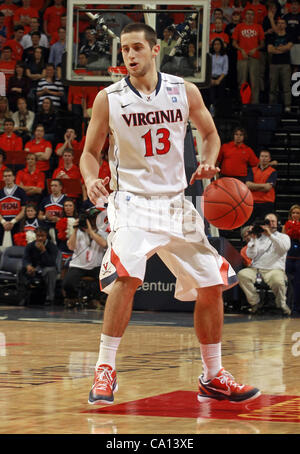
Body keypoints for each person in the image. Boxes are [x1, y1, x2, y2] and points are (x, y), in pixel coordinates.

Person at [79, 22, 260, 406]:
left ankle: (213, 376)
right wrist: (92, 178)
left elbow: (210, 135)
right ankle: (104, 368)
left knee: (212, 284)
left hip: (176, 203)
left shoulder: (183, 90)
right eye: (124, 49)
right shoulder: (108, 99)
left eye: (136, 48)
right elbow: (89, 152)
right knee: (127, 277)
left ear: (155, 49)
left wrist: (210, 162)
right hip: (131, 202)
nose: (129, 56)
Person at [238, 212, 291, 315]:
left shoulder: (283, 237)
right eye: (267, 221)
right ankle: (255, 302)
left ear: (277, 223)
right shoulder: (259, 238)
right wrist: (253, 239)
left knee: (278, 282)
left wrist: (270, 235)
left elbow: (283, 248)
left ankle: (281, 304)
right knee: (242, 275)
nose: (270, 224)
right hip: (257, 270)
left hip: (274, 270)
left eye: (273, 221)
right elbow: (251, 255)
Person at [62, 207, 108, 309]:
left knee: (106, 279)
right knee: (68, 283)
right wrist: (74, 230)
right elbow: (71, 246)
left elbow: (104, 244)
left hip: (95, 266)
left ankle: (95, 300)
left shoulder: (102, 232)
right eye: (94, 218)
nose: (97, 220)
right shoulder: (78, 232)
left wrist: (91, 232)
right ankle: (73, 299)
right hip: (78, 266)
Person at [19, 226, 59, 306]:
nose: (40, 238)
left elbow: (51, 262)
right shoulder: (30, 246)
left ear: (46, 236)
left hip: (46, 268)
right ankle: (23, 296)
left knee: (50, 271)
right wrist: (28, 266)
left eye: (42, 236)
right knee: (20, 270)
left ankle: (49, 298)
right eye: (38, 236)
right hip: (34, 268)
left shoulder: (52, 246)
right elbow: (25, 258)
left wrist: (43, 251)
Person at [232, 8, 265, 104]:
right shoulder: (239, 26)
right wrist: (241, 50)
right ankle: (243, 103)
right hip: (242, 57)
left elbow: (263, 43)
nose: (249, 16)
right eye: (248, 14)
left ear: (254, 16)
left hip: (254, 57)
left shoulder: (258, 27)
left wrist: (256, 48)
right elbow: (234, 43)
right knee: (242, 82)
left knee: (255, 82)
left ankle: (255, 103)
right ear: (244, 16)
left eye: (251, 14)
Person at [267, 17, 293, 112]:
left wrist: (276, 49)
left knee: (286, 87)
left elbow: (289, 47)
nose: (280, 25)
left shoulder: (289, 36)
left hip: (285, 64)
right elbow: (269, 49)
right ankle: (271, 105)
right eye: (279, 23)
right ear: (276, 25)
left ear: (285, 25)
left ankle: (287, 106)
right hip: (274, 64)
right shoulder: (272, 36)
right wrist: (282, 49)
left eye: (282, 23)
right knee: (272, 87)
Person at [246, 149, 277, 221]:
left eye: (266, 156)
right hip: (252, 202)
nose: (264, 158)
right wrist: (263, 186)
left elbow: (268, 188)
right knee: (249, 226)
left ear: (269, 159)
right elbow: (247, 185)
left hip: (267, 202)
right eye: (262, 156)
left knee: (265, 226)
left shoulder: (273, 171)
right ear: (259, 158)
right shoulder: (252, 170)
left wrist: (253, 186)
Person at [0, 167, 27, 245]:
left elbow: (24, 210)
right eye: (5, 176)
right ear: (3, 178)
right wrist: (3, 222)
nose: (7, 178)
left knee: (16, 247)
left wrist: (13, 222)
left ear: (13, 177)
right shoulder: (0, 192)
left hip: (17, 224)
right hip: (2, 224)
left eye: (9, 176)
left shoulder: (20, 191)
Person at [282, 204, 300, 316]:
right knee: (288, 283)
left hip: (299, 257)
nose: (295, 215)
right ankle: (287, 307)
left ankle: (297, 308)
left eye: (298, 213)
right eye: (293, 213)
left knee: (298, 283)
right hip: (288, 257)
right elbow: (284, 241)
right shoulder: (286, 225)